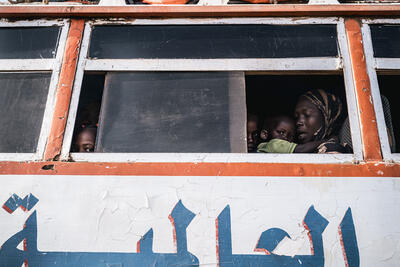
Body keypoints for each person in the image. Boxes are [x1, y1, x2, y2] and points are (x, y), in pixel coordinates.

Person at [295, 89, 347, 153]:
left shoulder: (331, 150)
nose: (298, 122)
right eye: (296, 117)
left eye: (307, 115)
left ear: (326, 118)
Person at [257, 115, 327, 153]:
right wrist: (325, 141)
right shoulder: (273, 145)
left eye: (291, 136)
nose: (285, 137)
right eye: (281, 132)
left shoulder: (263, 147)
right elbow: (301, 149)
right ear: (264, 134)